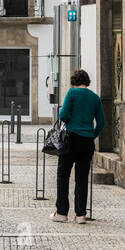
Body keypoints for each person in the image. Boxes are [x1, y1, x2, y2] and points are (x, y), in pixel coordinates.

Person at [50, 69, 105, 224]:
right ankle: (80, 214)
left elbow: (63, 115)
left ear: (74, 81)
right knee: (82, 178)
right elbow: (101, 123)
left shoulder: (72, 93)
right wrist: (92, 134)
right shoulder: (95, 98)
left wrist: (70, 121)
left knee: (63, 175)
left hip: (70, 139)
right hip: (87, 141)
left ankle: (61, 212)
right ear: (87, 82)